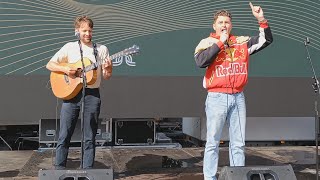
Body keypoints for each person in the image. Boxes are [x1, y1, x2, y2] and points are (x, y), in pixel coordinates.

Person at [194, 2, 273, 180]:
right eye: (221, 22)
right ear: (214, 25)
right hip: (216, 97)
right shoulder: (207, 42)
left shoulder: (240, 42)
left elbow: (266, 40)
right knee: (212, 143)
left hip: (238, 97)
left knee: (238, 143)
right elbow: (200, 62)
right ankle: (209, 177)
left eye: (227, 22)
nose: (224, 25)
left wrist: (261, 19)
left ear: (231, 25)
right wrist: (220, 43)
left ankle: (238, 176)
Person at [46, 15, 112, 169]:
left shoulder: (101, 50)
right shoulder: (69, 47)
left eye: (90, 31)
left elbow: (107, 76)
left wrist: (108, 69)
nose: (87, 34)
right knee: (64, 133)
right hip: (71, 94)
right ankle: (59, 169)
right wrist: (66, 69)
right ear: (77, 31)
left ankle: (88, 170)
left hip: (92, 94)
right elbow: (50, 64)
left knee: (89, 136)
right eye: (84, 31)